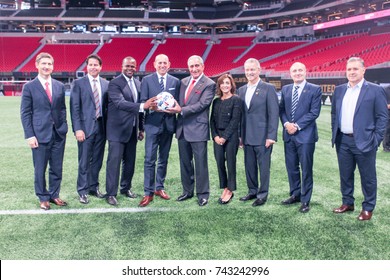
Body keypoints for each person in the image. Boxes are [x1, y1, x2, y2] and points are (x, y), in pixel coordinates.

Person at [331, 57, 388, 221]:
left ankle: (368, 208)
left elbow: (382, 117)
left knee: (368, 177)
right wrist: (336, 133)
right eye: (349, 69)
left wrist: (376, 139)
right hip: (343, 141)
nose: (352, 72)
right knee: (345, 175)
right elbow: (335, 114)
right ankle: (347, 203)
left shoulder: (375, 90)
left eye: (355, 69)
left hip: (365, 141)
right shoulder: (340, 90)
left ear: (363, 70)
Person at [105, 56, 155, 206]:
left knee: (130, 162)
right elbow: (120, 103)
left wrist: (141, 128)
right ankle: (111, 193)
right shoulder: (114, 83)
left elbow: (140, 109)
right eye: (127, 66)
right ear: (122, 66)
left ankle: (125, 188)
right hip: (117, 130)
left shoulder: (138, 84)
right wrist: (143, 106)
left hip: (132, 130)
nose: (130, 69)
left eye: (133, 66)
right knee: (114, 163)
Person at [20, 52, 68, 210]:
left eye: (49, 64)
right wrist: (30, 135)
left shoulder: (60, 86)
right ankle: (43, 197)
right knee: (40, 168)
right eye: (44, 64)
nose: (47, 67)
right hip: (39, 135)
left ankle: (54, 194)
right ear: (37, 65)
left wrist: (64, 126)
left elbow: (62, 109)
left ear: (53, 67)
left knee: (57, 167)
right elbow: (25, 113)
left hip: (58, 133)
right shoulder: (29, 87)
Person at [168, 55, 216, 206]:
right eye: (191, 66)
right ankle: (187, 191)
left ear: (203, 66)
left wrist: (180, 109)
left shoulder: (209, 84)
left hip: (198, 129)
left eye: (197, 66)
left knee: (200, 163)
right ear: (188, 68)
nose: (194, 69)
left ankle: (203, 194)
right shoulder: (183, 82)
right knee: (185, 163)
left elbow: (203, 104)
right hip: (182, 128)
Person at [279, 62, 322, 213]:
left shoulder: (315, 89)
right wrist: (286, 124)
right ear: (290, 73)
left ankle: (305, 200)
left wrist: (295, 126)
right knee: (292, 168)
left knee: (306, 169)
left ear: (305, 72)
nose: (297, 73)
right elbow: (282, 109)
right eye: (294, 71)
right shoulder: (286, 89)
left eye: (300, 70)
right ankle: (295, 194)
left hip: (305, 136)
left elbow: (314, 112)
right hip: (288, 135)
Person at [138, 54, 181, 207]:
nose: (162, 65)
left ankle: (159, 187)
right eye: (160, 63)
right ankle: (148, 192)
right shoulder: (147, 80)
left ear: (169, 64)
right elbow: (142, 102)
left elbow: (178, 104)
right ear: (154, 64)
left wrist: (175, 110)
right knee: (150, 159)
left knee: (163, 159)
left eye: (165, 63)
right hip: (152, 125)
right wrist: (150, 107)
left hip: (168, 126)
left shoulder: (175, 81)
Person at [238, 58, 279, 207]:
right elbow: (241, 115)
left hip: (263, 137)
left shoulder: (268, 88)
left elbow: (274, 114)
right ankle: (252, 191)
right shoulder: (241, 90)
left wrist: (271, 136)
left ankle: (262, 195)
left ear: (259, 70)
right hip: (247, 136)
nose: (250, 72)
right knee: (249, 166)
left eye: (252, 69)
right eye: (247, 70)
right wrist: (240, 136)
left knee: (263, 168)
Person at [70, 54, 109, 204]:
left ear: (100, 67)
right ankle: (82, 190)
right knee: (84, 161)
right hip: (85, 129)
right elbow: (75, 108)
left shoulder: (106, 84)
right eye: (90, 64)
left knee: (98, 160)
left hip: (101, 127)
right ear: (87, 66)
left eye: (96, 65)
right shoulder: (78, 83)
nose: (93, 67)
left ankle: (94, 187)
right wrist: (78, 129)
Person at [210, 74, 242, 204]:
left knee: (230, 163)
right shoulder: (216, 101)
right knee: (219, 162)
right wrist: (216, 136)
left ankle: (230, 190)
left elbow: (235, 121)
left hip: (231, 136)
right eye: (222, 83)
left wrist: (224, 137)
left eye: (227, 83)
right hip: (217, 137)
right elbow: (212, 120)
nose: (225, 85)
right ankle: (224, 187)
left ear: (231, 85)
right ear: (219, 85)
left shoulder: (236, 100)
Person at [383, 85, 390, 152]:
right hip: (388, 113)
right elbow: (381, 102)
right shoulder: (385, 89)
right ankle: (386, 146)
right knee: (387, 130)